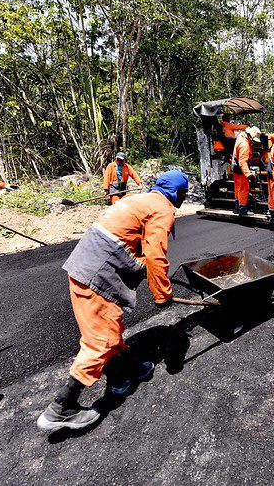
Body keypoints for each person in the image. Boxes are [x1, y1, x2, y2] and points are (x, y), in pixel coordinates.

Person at [37, 170, 189, 432]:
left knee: (110, 329)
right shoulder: (162, 209)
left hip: (83, 268)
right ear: (178, 193)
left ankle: (122, 373)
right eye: (184, 194)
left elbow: (130, 244)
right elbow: (154, 256)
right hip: (97, 275)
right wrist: (162, 294)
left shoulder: (140, 200)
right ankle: (61, 408)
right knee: (100, 341)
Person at [232, 126, 262, 216]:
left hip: (235, 167)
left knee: (237, 188)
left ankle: (237, 208)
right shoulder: (244, 145)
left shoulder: (241, 136)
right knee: (244, 189)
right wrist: (249, 175)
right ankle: (243, 210)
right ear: (250, 136)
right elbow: (242, 162)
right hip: (241, 168)